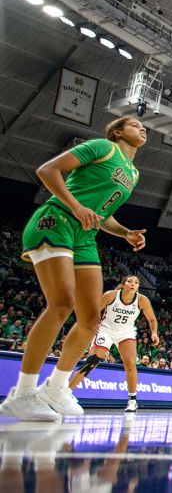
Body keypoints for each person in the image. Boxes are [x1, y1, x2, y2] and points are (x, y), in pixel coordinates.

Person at [0, 117, 147, 422]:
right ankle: (22, 393)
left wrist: (126, 233)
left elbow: (102, 214)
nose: (142, 128)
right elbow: (47, 171)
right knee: (62, 303)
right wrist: (76, 206)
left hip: (85, 236)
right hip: (58, 220)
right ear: (118, 131)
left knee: (91, 319)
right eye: (134, 124)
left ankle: (56, 387)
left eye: (144, 126)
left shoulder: (133, 173)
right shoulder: (102, 147)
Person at [68, 275, 159, 412]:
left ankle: (132, 400)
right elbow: (93, 312)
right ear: (123, 284)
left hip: (126, 333)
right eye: (129, 281)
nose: (133, 284)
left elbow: (152, 319)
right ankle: (67, 392)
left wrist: (154, 332)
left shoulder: (142, 300)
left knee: (130, 364)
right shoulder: (111, 295)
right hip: (106, 330)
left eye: (136, 282)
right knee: (93, 360)